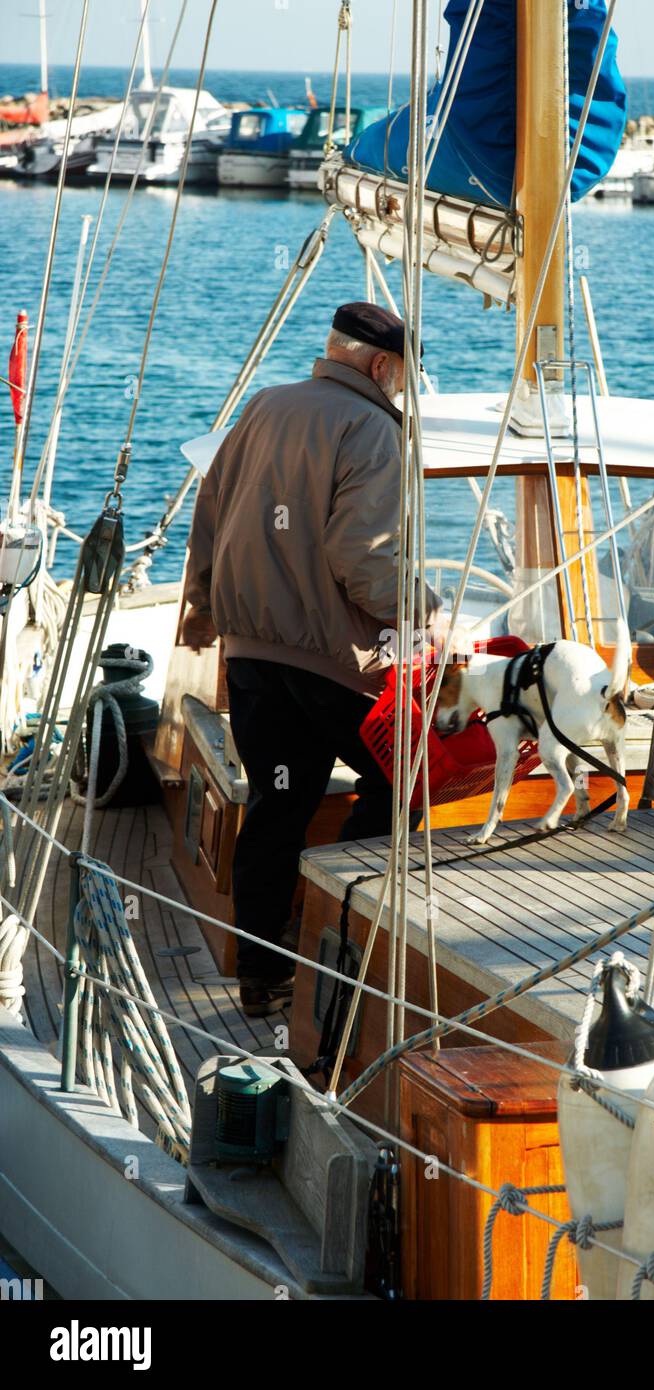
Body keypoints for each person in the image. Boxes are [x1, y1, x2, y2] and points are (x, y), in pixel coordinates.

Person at [182, 303, 440, 1017]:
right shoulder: (373, 431)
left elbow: (210, 519)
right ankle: (338, 945)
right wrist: (428, 609)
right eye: (404, 375)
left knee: (276, 808)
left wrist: (203, 615)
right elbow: (363, 564)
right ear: (383, 366)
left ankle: (261, 980)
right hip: (331, 667)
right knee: (404, 784)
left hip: (253, 664)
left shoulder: (265, 405)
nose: (403, 388)